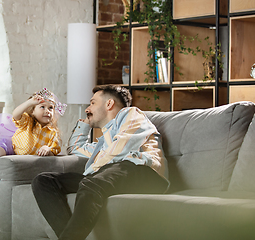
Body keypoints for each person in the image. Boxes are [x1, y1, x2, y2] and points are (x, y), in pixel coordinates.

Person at [32, 85, 170, 240]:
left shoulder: (131, 114)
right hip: (108, 177)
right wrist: (85, 124)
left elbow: (121, 150)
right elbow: (75, 148)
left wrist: (93, 171)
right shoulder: (104, 142)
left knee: (92, 182)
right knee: (44, 181)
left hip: (143, 172)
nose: (87, 109)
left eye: (92, 103)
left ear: (109, 104)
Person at [0, 88, 67, 195]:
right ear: (32, 111)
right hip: (12, 147)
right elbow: (15, 115)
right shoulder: (27, 120)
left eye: (51, 108)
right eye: (42, 107)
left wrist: (47, 149)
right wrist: (30, 102)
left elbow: (54, 149)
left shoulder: (52, 132)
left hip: (26, 157)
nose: (47, 111)